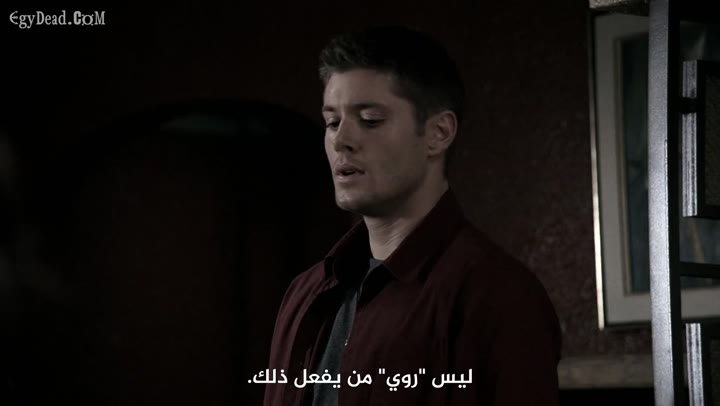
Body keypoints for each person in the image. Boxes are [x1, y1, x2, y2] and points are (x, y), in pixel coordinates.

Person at [262, 25, 561, 406]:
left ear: (438, 133)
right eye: (332, 122)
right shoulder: (305, 293)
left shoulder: (497, 296)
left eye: (370, 119)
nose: (341, 141)